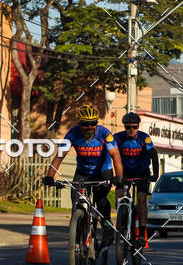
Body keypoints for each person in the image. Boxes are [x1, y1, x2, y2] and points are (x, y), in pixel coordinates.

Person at [43, 104, 123, 244]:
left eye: (93, 123)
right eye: (86, 124)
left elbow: (115, 156)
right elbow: (59, 157)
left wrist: (119, 177)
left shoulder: (104, 134)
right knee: (75, 197)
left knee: (100, 198)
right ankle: (78, 229)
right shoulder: (73, 134)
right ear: (79, 124)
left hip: (103, 171)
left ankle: (107, 226)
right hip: (83, 171)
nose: (90, 127)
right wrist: (50, 177)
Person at [113, 112, 159, 248]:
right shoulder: (118, 138)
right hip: (125, 172)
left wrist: (155, 174)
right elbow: (109, 153)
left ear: (138, 127)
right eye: (128, 127)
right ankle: (122, 219)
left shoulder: (144, 138)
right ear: (124, 127)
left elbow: (153, 154)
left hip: (142, 172)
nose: (131, 130)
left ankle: (141, 234)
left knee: (141, 198)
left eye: (134, 127)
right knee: (119, 194)